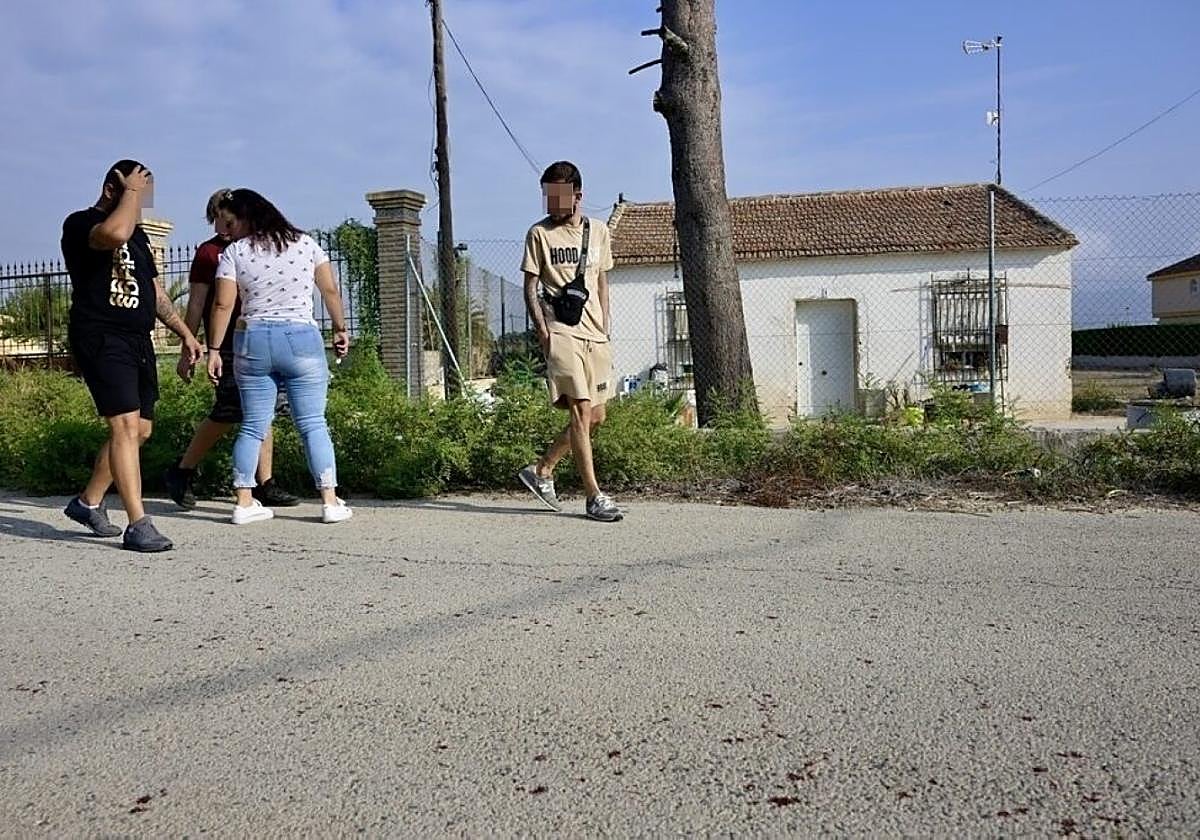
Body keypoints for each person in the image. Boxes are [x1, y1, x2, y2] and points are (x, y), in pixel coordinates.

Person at [60, 160, 203, 551]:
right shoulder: (80, 223)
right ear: (112, 190)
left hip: (137, 340)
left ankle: (87, 502)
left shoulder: (138, 237)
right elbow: (115, 231)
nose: (140, 207)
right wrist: (131, 193)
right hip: (101, 336)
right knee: (123, 426)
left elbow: (155, 293)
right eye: (136, 195)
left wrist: (187, 333)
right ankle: (138, 524)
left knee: (140, 431)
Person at [204, 188, 351, 525]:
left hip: (252, 340)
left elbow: (223, 304)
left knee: (254, 425)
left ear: (247, 218)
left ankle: (244, 502)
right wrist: (340, 329)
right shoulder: (305, 243)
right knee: (313, 423)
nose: (227, 231)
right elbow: (329, 289)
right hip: (301, 338)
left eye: (231, 222)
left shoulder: (235, 252)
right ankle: (330, 501)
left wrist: (214, 350)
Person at [164, 189, 299, 510]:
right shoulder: (209, 253)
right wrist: (189, 342)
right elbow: (197, 301)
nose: (224, 225)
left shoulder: (259, 247)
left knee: (262, 411)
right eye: (218, 219)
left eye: (230, 218)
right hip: (225, 345)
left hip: (260, 339)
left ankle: (265, 483)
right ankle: (182, 471)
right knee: (228, 412)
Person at [518, 161, 623, 522]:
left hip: (595, 332)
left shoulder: (599, 232)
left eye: (557, 197)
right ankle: (594, 496)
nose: (550, 204)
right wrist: (542, 330)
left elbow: (602, 281)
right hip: (560, 330)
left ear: (577, 196)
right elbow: (530, 286)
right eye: (547, 196)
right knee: (580, 409)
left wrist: (606, 323)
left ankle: (542, 469)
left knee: (596, 416)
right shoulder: (539, 234)